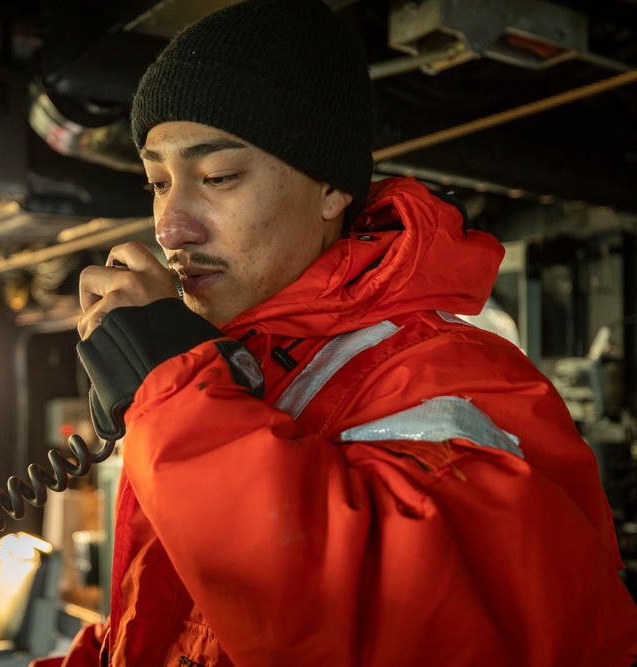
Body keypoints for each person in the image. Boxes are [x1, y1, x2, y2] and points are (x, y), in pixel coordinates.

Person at [31, 0, 637, 665]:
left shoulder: (467, 384)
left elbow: (380, 627)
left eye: (219, 177)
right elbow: (166, 629)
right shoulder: (227, 380)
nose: (170, 227)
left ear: (331, 188)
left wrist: (169, 397)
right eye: (157, 182)